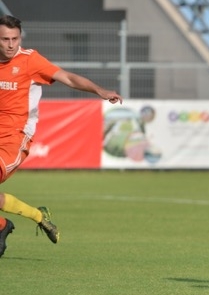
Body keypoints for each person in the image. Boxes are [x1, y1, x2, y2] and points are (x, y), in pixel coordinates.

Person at [0, 14, 122, 258]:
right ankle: (23, 220)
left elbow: (67, 77)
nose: (11, 44)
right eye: (5, 39)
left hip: (14, 136)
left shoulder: (30, 61)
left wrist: (99, 89)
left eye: (15, 38)